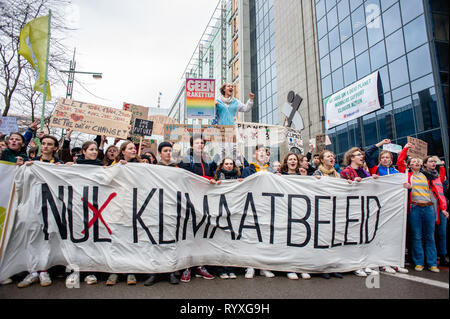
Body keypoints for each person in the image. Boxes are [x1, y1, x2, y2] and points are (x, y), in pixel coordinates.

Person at [397, 143, 445, 273]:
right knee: (417, 236)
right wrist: (406, 148)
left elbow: (439, 182)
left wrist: (440, 164)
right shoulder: (406, 174)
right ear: (409, 165)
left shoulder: (427, 176)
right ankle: (419, 262)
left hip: (429, 208)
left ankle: (432, 263)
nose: (416, 162)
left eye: (418, 161)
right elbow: (400, 161)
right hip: (415, 209)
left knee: (429, 236)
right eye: (413, 161)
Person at [364, 139, 408, 273]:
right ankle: (383, 262)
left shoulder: (396, 172)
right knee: (382, 235)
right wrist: (380, 144)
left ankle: (395, 261)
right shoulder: (375, 169)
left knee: (395, 234)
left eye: (387, 157)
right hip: (380, 207)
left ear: (391, 159)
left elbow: (402, 164)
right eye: (382, 157)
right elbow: (367, 154)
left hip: (395, 207)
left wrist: (407, 187)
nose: (384, 159)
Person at [177, 135, 216, 282]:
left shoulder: (208, 159)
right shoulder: (186, 159)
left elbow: (213, 174)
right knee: (188, 233)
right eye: (197, 143)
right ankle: (187, 267)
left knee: (201, 232)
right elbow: (183, 177)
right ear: (192, 145)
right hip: (189, 200)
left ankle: (200, 266)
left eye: (202, 143)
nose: (200, 145)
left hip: (204, 200)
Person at [143, 141, 179, 286]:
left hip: (171, 207)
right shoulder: (153, 169)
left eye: (170, 150)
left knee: (171, 240)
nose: (168, 153)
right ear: (159, 153)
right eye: (165, 151)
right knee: (155, 240)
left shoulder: (177, 168)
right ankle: (154, 272)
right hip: (155, 206)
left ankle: (171, 271)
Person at [340, 147, 379, 277]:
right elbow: (340, 187)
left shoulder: (363, 172)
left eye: (361, 155)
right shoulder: (346, 171)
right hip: (352, 208)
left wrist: (372, 180)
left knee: (364, 236)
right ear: (351, 158)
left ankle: (364, 263)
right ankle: (354, 264)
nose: (361, 157)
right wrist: (351, 183)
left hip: (365, 208)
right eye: (358, 155)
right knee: (353, 236)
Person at [106, 140, 141, 286]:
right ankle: (115, 270)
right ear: (123, 151)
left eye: (135, 148)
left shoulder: (141, 166)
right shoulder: (113, 165)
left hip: (133, 205)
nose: (134, 150)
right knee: (116, 237)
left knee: (131, 237)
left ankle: (130, 269)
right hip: (116, 205)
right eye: (131, 148)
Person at [241, 145, 276, 279]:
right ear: (255, 154)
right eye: (259, 151)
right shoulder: (247, 170)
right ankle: (250, 266)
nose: (262, 153)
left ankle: (263, 266)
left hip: (267, 206)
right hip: (252, 205)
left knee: (265, 236)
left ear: (267, 156)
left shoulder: (271, 171)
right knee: (251, 236)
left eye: (264, 152)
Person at [312, 150, 345, 279]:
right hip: (322, 209)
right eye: (328, 156)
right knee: (322, 239)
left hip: (335, 209)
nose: (331, 158)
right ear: (321, 160)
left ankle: (333, 266)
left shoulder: (338, 175)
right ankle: (322, 267)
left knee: (333, 238)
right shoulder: (317, 173)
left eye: (332, 156)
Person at [278, 153, 311, 280]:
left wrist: (305, 178)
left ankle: (301, 266)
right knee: (288, 238)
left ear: (298, 162)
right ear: (286, 162)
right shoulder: (281, 176)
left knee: (300, 237)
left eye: (295, 159)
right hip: (286, 210)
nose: (293, 161)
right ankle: (289, 268)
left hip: (300, 210)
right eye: (290, 159)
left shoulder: (301, 174)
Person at [211, 157, 243, 279]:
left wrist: (242, 183)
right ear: (222, 165)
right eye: (226, 164)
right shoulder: (217, 176)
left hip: (234, 212)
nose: (229, 166)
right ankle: (221, 270)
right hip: (221, 212)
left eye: (231, 164)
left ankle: (231, 268)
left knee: (232, 242)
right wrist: (214, 184)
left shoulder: (238, 177)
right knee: (221, 241)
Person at [422, 155, 449, 267]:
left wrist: (444, 208)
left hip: (442, 209)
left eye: (434, 161)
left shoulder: (437, 176)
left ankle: (443, 256)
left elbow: (441, 193)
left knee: (442, 234)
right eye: (430, 161)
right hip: (430, 209)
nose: (433, 163)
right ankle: (429, 257)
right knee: (429, 234)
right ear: (425, 164)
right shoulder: (423, 176)